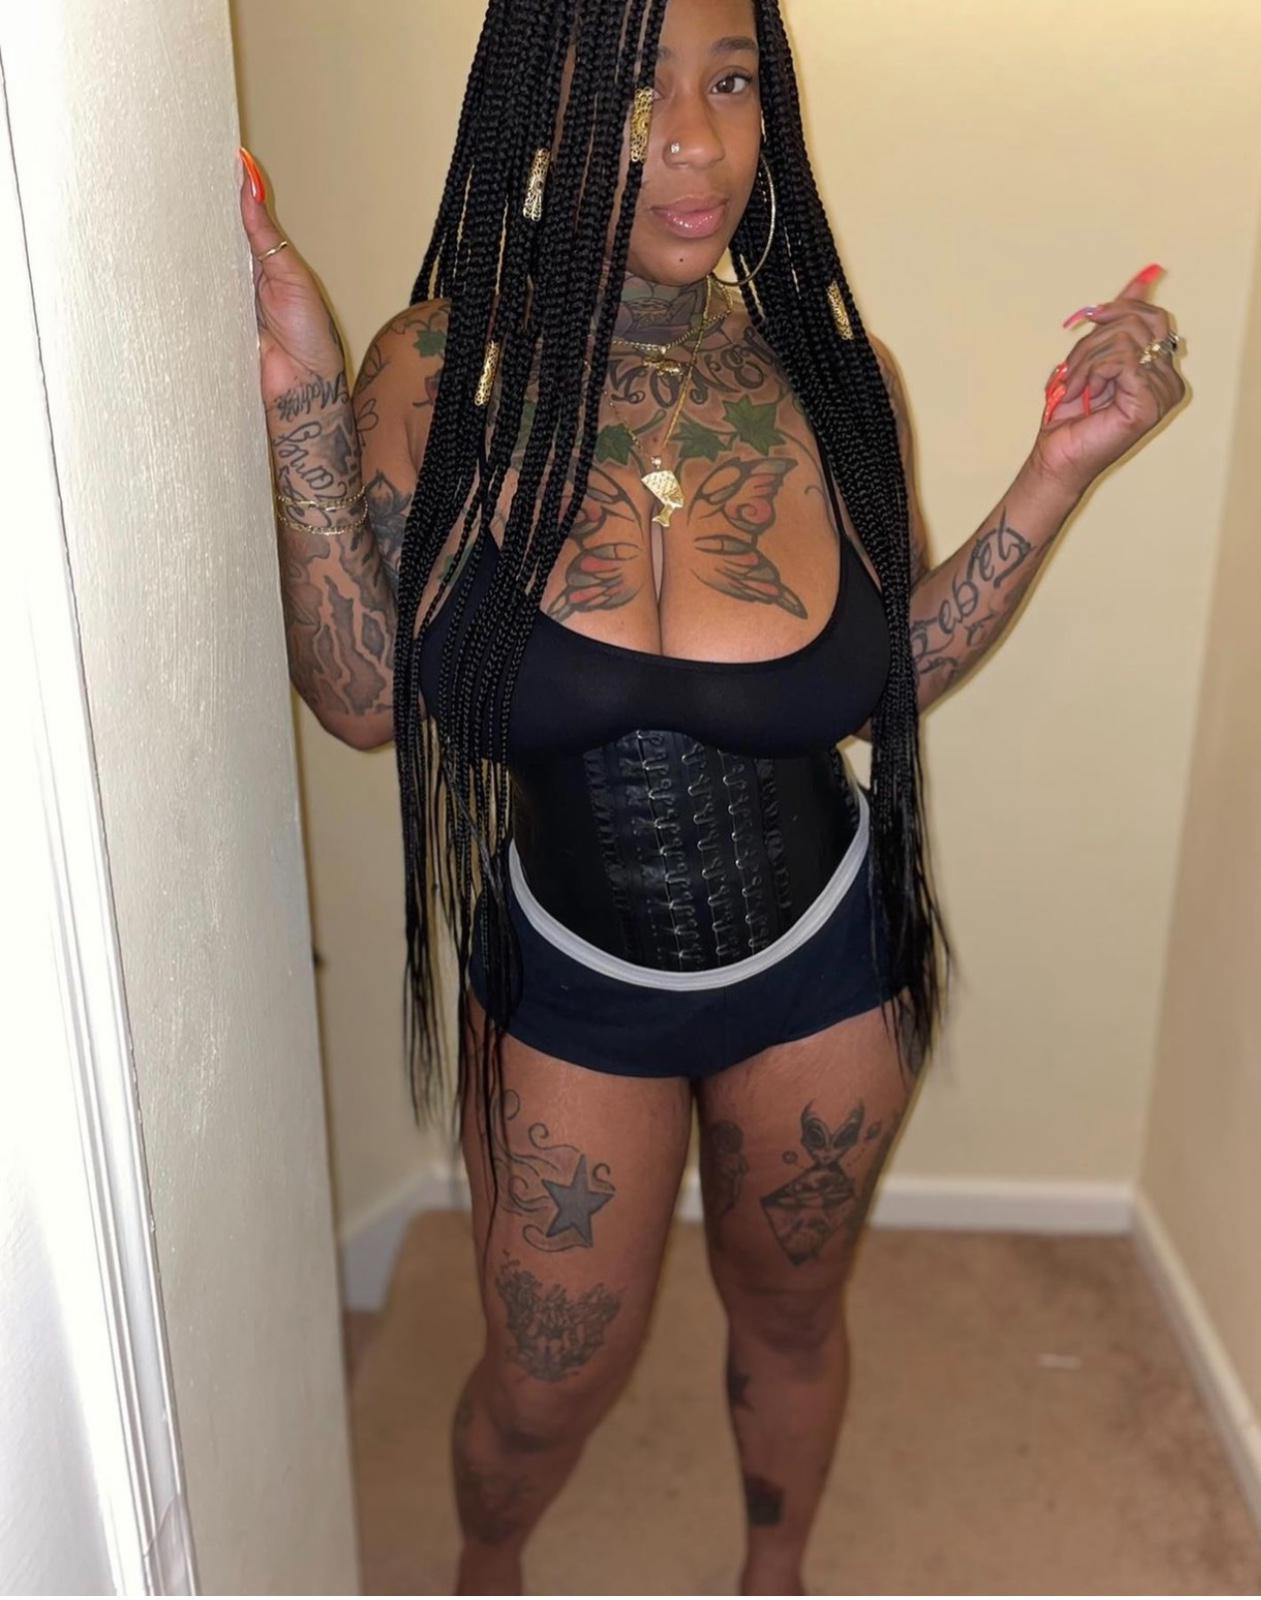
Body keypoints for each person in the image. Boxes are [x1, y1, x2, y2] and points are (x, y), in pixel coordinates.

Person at [237, 0, 1185, 1589]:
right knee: (540, 1387)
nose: (695, 139)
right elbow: (359, 702)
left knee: (792, 1316)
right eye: (636, 91)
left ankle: (776, 1574)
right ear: (543, 112)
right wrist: (297, 405)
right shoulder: (435, 367)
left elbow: (886, 680)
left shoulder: (830, 373)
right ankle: (487, 1570)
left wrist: (1058, 471)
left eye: (732, 81)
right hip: (571, 981)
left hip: (822, 967)